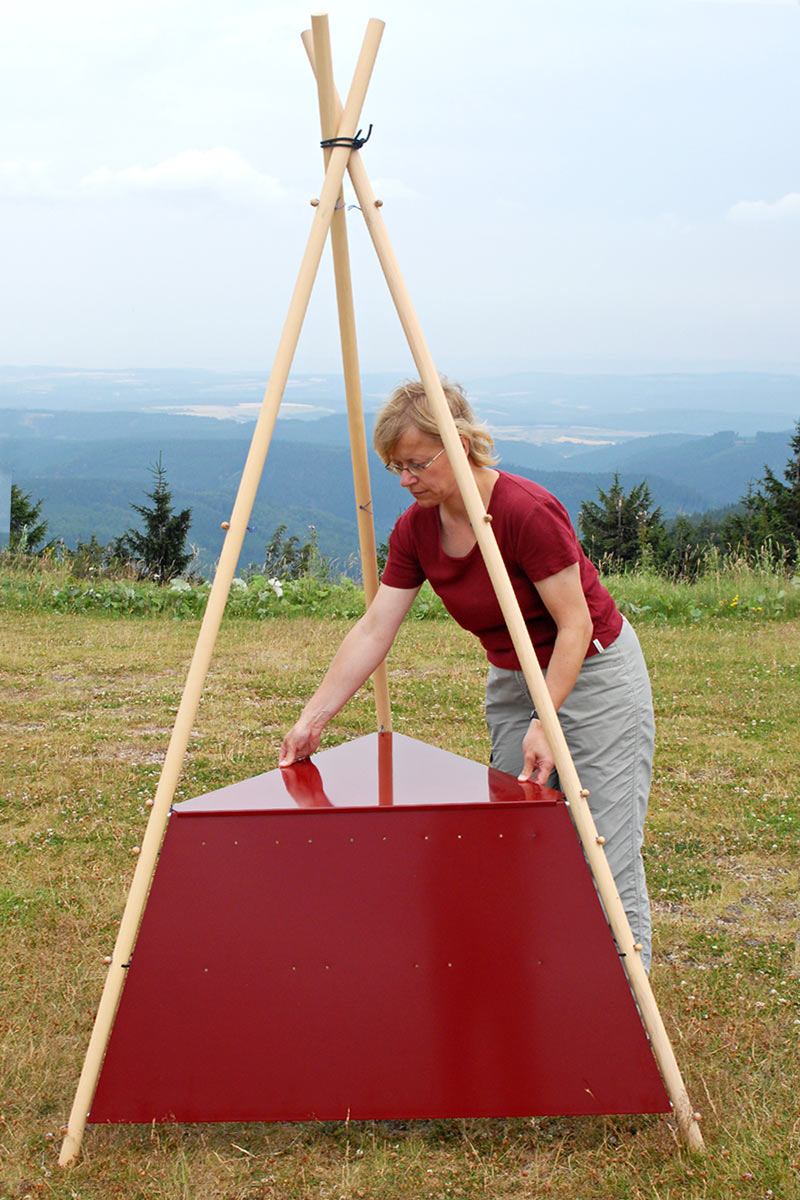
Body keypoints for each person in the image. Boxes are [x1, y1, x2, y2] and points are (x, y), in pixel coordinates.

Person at [280, 379, 655, 970]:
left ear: (458, 443)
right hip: (512, 679)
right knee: (515, 835)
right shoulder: (417, 529)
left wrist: (545, 721)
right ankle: (537, 983)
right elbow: (375, 628)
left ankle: (626, 1002)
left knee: (602, 845)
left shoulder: (524, 511)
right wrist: (313, 719)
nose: (406, 480)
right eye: (396, 467)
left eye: (417, 464)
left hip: (593, 674)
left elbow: (575, 625)